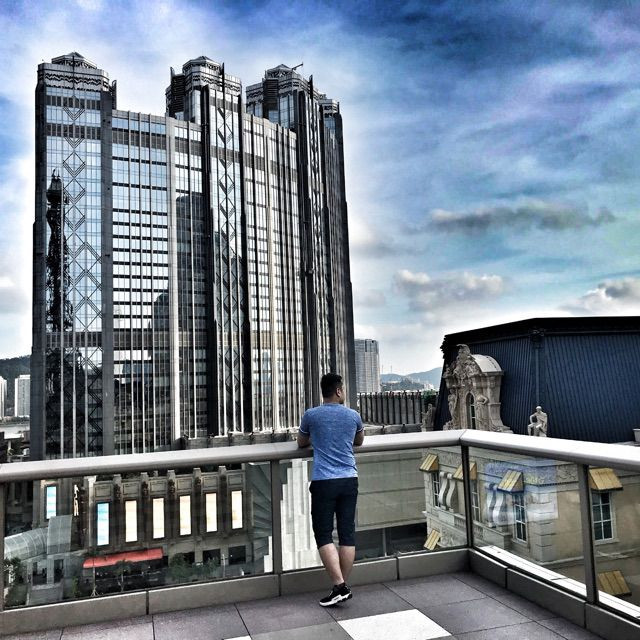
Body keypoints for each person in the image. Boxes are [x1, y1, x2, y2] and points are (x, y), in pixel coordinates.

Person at [297, 372, 365, 607]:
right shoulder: (353, 415)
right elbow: (359, 441)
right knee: (347, 534)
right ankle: (340, 587)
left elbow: (301, 442)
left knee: (323, 534)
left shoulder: (311, 415)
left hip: (324, 481)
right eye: (342, 388)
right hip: (349, 479)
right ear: (338, 391)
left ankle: (340, 586)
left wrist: (318, 436)